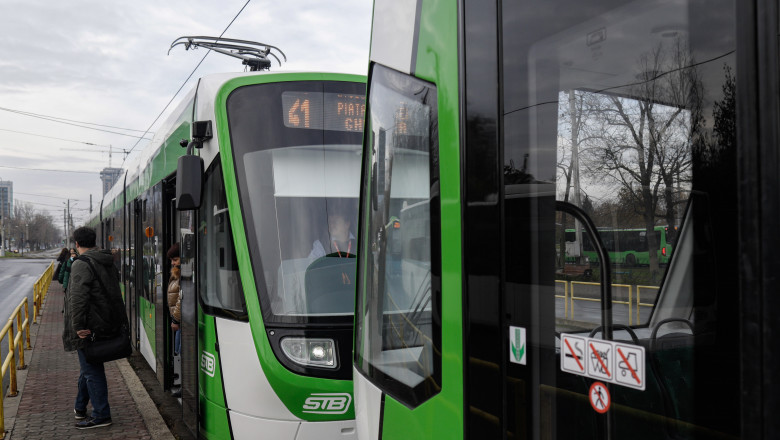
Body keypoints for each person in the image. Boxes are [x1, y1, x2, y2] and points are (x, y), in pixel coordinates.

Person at [63, 226, 126, 429]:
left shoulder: (81, 263)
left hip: (89, 326)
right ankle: (80, 408)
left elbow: (78, 298)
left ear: (77, 244)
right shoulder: (105, 260)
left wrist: (78, 326)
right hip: (104, 321)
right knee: (87, 368)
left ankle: (101, 415)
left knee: (91, 371)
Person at [166, 243, 182, 397]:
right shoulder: (177, 273)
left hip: (182, 322)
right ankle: (180, 382)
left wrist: (175, 319)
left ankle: (182, 385)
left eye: (175, 259)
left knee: (181, 352)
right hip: (180, 321)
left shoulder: (184, 274)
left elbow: (181, 300)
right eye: (172, 260)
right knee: (178, 351)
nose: (173, 262)